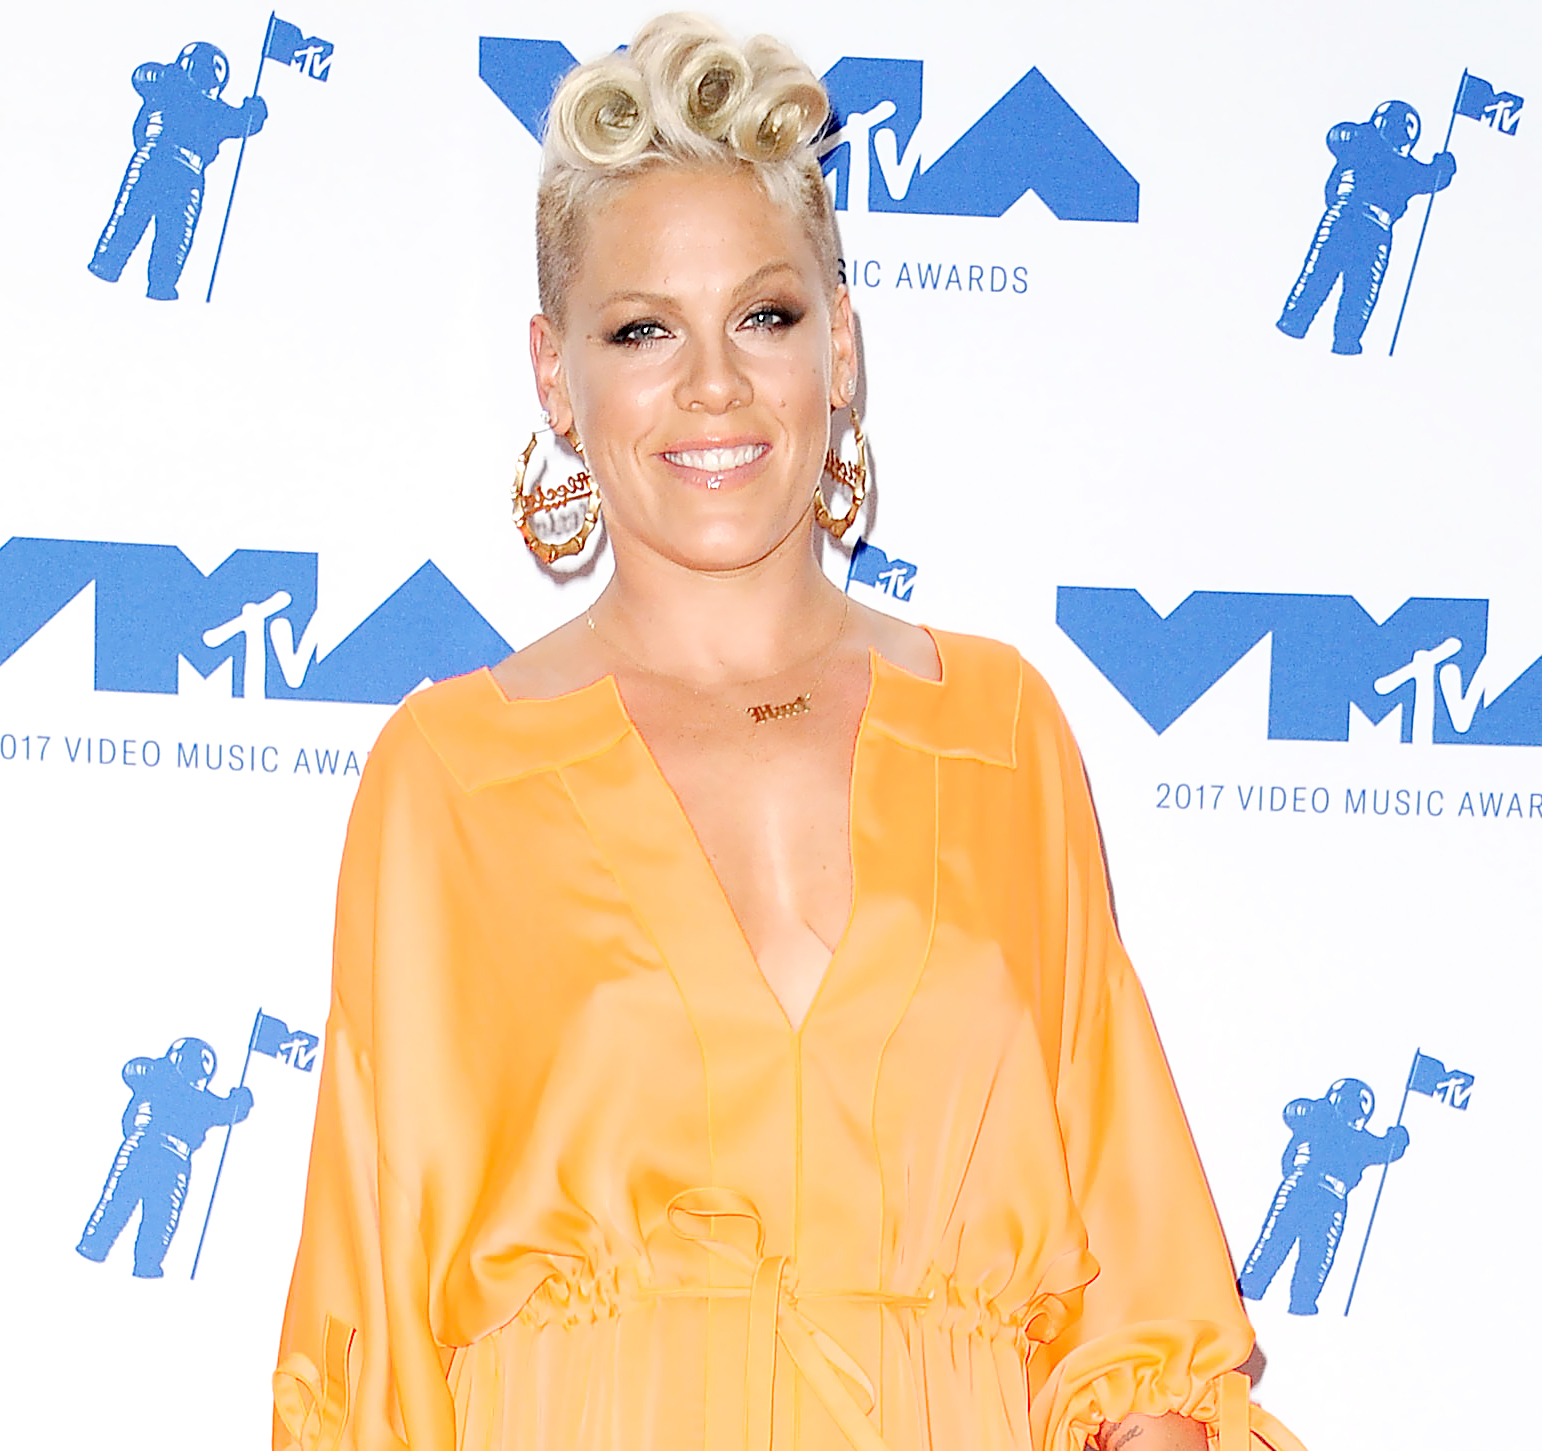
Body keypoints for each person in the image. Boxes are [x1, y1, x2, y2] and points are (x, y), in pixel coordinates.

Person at [274, 16, 1306, 1450]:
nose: (713, 382)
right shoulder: (450, 777)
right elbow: (371, 1333)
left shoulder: (996, 729)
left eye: (763, 315)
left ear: (841, 344)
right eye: (642, 329)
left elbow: (1136, 1328)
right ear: (555, 376)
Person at [87, 41, 268, 301]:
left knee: (148, 224)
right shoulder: (174, 89)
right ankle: (142, 277)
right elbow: (143, 75)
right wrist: (254, 112)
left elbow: (244, 122)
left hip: (164, 164)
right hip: (170, 166)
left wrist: (254, 114)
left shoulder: (173, 90)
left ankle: (121, 268)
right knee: (162, 230)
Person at [1275, 100, 1456, 355]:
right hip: (1362, 223)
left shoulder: (1362, 145)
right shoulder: (1369, 147)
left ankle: (1307, 326)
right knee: (1352, 288)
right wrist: (1443, 166)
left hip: (1352, 219)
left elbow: (1432, 178)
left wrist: (1443, 168)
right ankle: (1335, 337)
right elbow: (1433, 177)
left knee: (1334, 280)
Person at [76, 1036, 253, 1277]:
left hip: (147, 1148)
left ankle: (98, 1246)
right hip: (165, 1155)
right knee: (156, 1216)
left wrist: (240, 1101)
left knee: (126, 1204)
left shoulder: (157, 1077)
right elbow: (229, 1111)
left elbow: (132, 1070)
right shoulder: (191, 1094)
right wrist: (240, 1099)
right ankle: (139, 1262)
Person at [1238, 1077, 1411, 1315]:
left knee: (1305, 1251)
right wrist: (1397, 1138)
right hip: (1310, 1189)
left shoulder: (1336, 1128)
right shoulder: (1319, 1119)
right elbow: (1293, 1111)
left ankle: (1282, 1295)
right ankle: (1267, 1290)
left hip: (1318, 1193)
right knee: (1294, 1247)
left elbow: (1386, 1150)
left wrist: (1397, 1139)